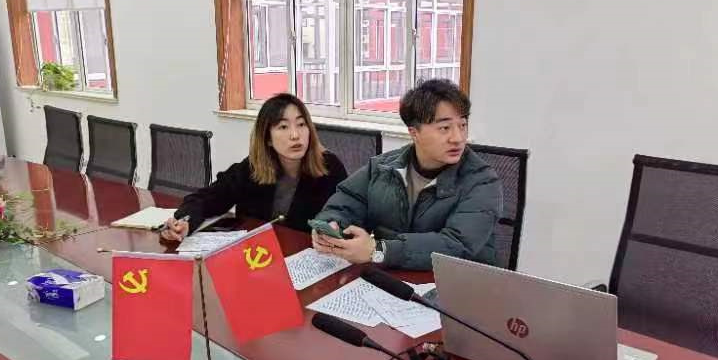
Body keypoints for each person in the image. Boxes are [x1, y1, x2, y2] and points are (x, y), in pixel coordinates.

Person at [312, 79, 502, 271]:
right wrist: (330, 226)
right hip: (392, 277)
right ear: (414, 132)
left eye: (462, 125)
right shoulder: (383, 167)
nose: (458, 138)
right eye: (445, 128)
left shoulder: (483, 181)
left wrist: (378, 250)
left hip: (457, 281)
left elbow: (456, 245)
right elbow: (346, 201)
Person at [161, 93, 347, 240]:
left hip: (309, 260)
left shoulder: (330, 168)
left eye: (301, 124)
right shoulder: (253, 168)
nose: (295, 135)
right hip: (258, 257)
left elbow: (348, 215)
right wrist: (185, 221)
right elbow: (207, 198)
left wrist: (336, 227)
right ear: (267, 139)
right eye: (283, 127)